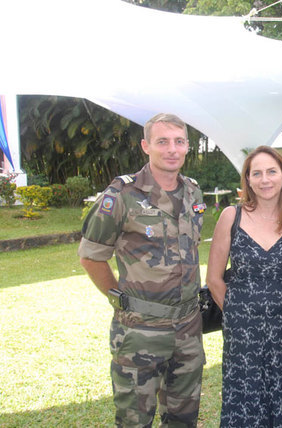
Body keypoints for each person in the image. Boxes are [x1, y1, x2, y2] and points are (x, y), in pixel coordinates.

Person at [78, 113, 206, 427]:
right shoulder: (121, 195)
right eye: (162, 141)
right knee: (134, 420)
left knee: (184, 419)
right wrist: (118, 298)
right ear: (146, 146)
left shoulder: (193, 192)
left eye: (179, 141)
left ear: (187, 146)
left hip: (188, 328)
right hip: (140, 330)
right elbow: (91, 256)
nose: (172, 149)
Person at [206, 146, 282, 427]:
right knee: (245, 404)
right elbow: (214, 278)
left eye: (272, 172)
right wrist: (238, 313)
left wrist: (276, 304)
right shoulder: (232, 217)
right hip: (242, 332)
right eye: (257, 173)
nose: (265, 179)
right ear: (248, 180)